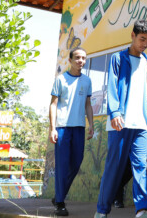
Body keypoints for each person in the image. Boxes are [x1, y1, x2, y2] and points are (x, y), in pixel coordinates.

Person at [94, 20, 147, 218]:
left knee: (141, 166)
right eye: (142, 39)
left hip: (141, 125)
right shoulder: (118, 58)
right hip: (120, 123)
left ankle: (142, 210)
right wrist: (115, 112)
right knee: (113, 168)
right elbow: (112, 87)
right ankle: (101, 211)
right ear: (133, 35)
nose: (145, 44)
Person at [49, 47, 94, 216]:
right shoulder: (61, 79)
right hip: (62, 128)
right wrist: (53, 128)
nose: (80, 61)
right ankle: (60, 203)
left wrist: (91, 124)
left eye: (83, 58)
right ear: (70, 60)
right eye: (77, 58)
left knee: (76, 163)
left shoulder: (87, 81)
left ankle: (58, 195)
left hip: (79, 128)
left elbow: (88, 105)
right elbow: (53, 104)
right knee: (62, 165)